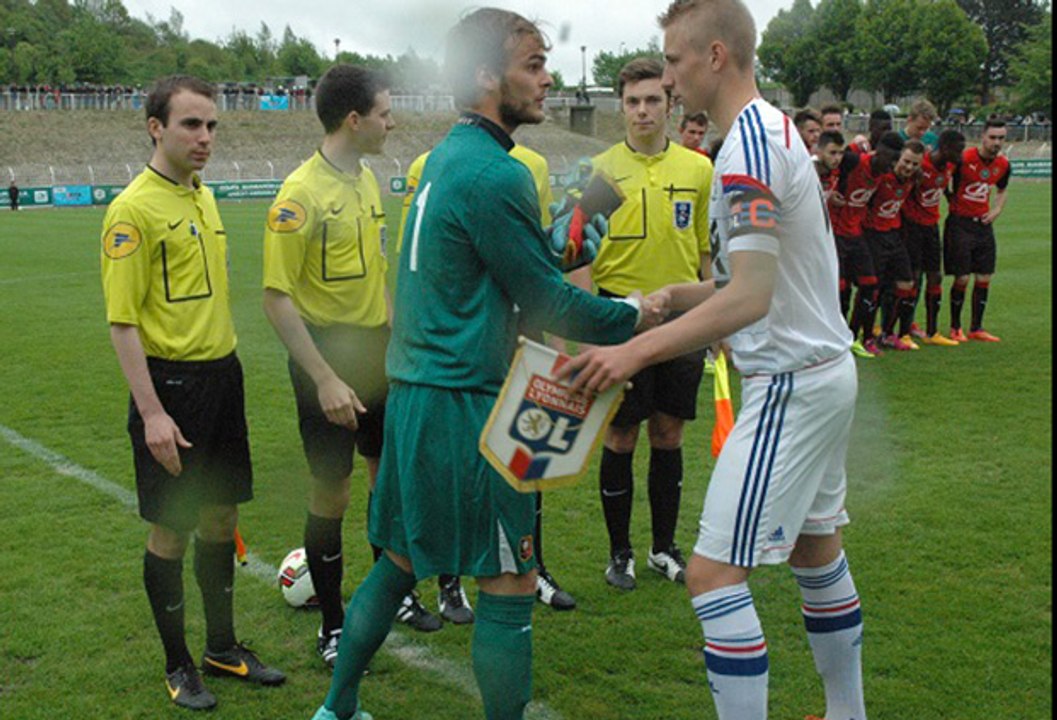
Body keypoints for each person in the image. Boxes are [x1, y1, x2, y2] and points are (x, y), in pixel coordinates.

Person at [311, 10, 649, 720]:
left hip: (414, 395)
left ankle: (336, 710)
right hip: (466, 405)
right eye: (531, 63)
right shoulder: (494, 174)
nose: (546, 77)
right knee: (510, 576)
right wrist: (643, 315)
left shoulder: (444, 160)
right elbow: (547, 301)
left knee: (400, 562)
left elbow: (494, 280)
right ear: (483, 76)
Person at [561, 1, 867, 718]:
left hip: (789, 380)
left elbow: (752, 299)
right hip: (821, 373)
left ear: (716, 56)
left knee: (710, 575)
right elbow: (752, 277)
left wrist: (630, 350)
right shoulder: (768, 131)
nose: (666, 78)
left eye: (671, 61)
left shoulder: (744, 150)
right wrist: (681, 293)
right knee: (814, 550)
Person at [100, 75, 285, 712]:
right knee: (172, 528)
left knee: (222, 516)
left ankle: (222, 647)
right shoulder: (133, 209)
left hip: (223, 377)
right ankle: (178, 665)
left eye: (211, 126)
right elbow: (122, 321)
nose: (205, 138)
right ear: (156, 127)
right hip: (171, 388)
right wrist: (152, 413)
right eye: (191, 125)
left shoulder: (201, 196)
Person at [261, 64, 442, 663]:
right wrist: (325, 378)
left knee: (387, 480)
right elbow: (276, 298)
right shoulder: (299, 195)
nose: (393, 122)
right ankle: (334, 625)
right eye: (386, 113)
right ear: (354, 119)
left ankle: (397, 596)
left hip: (377, 355)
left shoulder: (367, 180)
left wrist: (397, 335)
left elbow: (374, 277)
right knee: (330, 493)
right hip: (327, 360)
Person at [570, 57, 713, 591]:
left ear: (671, 105)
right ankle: (620, 553)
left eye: (653, 99)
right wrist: (591, 322)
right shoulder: (601, 171)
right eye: (632, 101)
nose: (642, 110)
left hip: (681, 321)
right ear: (620, 106)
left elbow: (704, 251)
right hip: (619, 319)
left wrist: (715, 322)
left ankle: (663, 548)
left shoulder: (699, 170)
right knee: (621, 433)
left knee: (669, 432)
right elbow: (577, 254)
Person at [830, 132, 904, 356]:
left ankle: (853, 336)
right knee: (841, 289)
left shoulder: (881, 173)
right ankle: (837, 338)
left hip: (856, 233)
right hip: (835, 233)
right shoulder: (853, 162)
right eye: (889, 159)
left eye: (895, 161)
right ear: (878, 151)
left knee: (870, 283)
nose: (891, 165)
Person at [945, 118, 1011, 342]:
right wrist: (950, 199)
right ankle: (955, 327)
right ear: (983, 136)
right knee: (962, 278)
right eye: (993, 137)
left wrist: (997, 209)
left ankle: (977, 327)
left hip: (983, 226)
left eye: (1001, 138)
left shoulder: (1003, 164)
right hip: (960, 224)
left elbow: (1002, 189)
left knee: (984, 277)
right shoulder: (964, 159)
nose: (997, 142)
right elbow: (944, 180)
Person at [900, 129, 965, 345]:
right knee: (914, 278)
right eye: (957, 151)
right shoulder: (922, 166)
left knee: (935, 276)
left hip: (931, 226)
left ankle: (932, 331)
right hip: (913, 226)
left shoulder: (949, 166)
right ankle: (905, 330)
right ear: (944, 148)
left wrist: (951, 199)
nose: (961, 155)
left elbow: (943, 188)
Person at [861, 139, 926, 351]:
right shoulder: (882, 177)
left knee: (906, 284)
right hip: (873, 235)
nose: (909, 167)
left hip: (894, 235)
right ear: (898, 159)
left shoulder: (913, 179)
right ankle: (867, 336)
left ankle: (889, 334)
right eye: (906, 162)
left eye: (915, 164)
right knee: (874, 288)